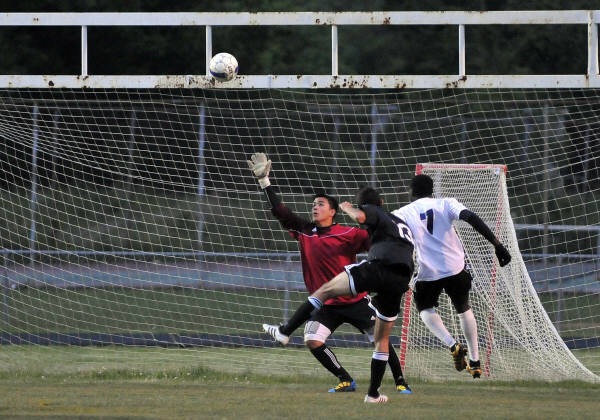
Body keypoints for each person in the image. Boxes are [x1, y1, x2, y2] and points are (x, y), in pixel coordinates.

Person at [248, 153, 410, 394]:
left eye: (321, 204)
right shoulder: (304, 230)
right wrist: (264, 182)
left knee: (380, 337)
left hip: (355, 301)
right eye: (314, 204)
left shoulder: (349, 233)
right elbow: (280, 211)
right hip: (326, 305)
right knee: (312, 340)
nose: (315, 206)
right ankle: (345, 379)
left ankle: (400, 381)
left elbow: (379, 240)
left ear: (333, 211)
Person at [392, 174, 512, 379]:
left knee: (424, 307)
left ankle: (452, 344)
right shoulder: (446, 203)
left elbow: (390, 234)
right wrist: (497, 245)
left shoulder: (402, 213)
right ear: (431, 191)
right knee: (463, 307)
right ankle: (475, 361)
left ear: (411, 191)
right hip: (456, 268)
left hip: (428, 271)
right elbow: (471, 218)